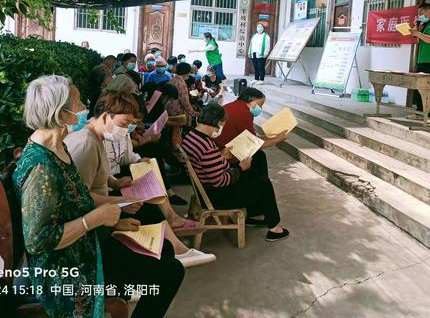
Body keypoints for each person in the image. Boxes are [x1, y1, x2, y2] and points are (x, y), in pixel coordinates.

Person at [13, 75, 185, 317]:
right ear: (60, 114)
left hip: (86, 243)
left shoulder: (59, 149)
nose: (85, 107)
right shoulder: (41, 167)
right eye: (78, 102)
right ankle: (116, 299)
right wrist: (96, 219)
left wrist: (113, 217)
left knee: (164, 252)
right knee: (170, 272)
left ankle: (120, 298)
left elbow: (79, 196)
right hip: (67, 266)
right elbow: (38, 240)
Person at [65, 90, 216, 268]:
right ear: (106, 117)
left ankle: (174, 245)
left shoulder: (96, 138)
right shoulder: (85, 144)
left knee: (147, 195)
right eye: (126, 123)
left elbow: (97, 178)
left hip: (103, 206)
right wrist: (119, 202)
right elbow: (79, 197)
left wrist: (115, 183)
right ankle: (174, 247)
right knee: (149, 210)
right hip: (95, 216)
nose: (84, 107)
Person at [182, 103, 289, 241]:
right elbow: (219, 181)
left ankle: (255, 215)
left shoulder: (192, 136)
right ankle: (274, 228)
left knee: (256, 166)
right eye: (223, 124)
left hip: (205, 188)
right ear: (217, 122)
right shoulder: (206, 145)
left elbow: (209, 165)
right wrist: (240, 168)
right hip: (217, 195)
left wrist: (222, 156)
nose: (222, 128)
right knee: (264, 183)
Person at [215, 87, 287, 153]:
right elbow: (253, 143)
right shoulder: (244, 113)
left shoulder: (235, 105)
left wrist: (270, 137)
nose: (260, 108)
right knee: (258, 155)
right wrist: (277, 139)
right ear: (250, 99)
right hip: (223, 151)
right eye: (260, 105)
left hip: (216, 145)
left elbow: (249, 137)